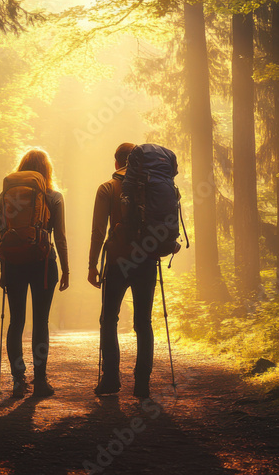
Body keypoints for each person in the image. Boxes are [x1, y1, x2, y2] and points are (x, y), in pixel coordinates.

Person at [0, 149, 70, 398]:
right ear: (46, 170)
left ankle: (18, 380)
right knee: (41, 321)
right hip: (43, 263)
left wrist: (3, 267)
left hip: (14, 263)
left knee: (16, 321)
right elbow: (59, 236)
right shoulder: (54, 197)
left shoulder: (6, 195)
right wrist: (66, 268)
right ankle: (40, 381)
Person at [88, 142, 158, 399]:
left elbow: (97, 230)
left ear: (117, 163)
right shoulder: (151, 185)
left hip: (118, 262)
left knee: (109, 320)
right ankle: (142, 384)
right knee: (144, 322)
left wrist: (92, 264)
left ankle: (111, 379)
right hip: (148, 260)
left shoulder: (107, 187)